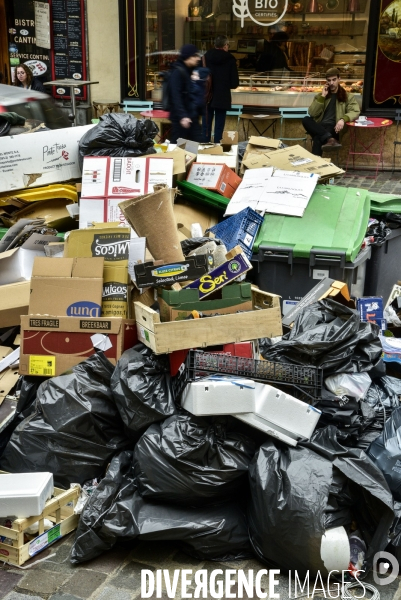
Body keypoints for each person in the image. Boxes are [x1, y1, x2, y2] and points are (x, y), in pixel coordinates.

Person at [303, 67, 360, 157]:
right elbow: (312, 113)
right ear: (326, 81)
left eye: (334, 80)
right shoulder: (321, 95)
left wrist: (342, 119)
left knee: (318, 138)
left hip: (334, 127)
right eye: (329, 80)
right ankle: (330, 139)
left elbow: (355, 111)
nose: (332, 83)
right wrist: (322, 97)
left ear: (339, 79)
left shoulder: (347, 96)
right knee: (306, 119)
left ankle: (317, 166)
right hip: (320, 125)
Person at [203, 35, 239, 143]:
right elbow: (234, 83)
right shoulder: (230, 59)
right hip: (222, 97)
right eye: (228, 45)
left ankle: (204, 148)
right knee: (219, 126)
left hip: (207, 96)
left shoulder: (205, 57)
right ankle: (217, 147)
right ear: (225, 46)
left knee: (206, 125)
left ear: (215, 45)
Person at [169, 44, 202, 143]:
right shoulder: (178, 73)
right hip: (181, 119)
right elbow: (175, 96)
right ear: (187, 57)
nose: (198, 58)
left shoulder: (190, 71)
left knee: (197, 145)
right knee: (177, 146)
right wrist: (182, 116)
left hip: (191, 116)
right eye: (194, 56)